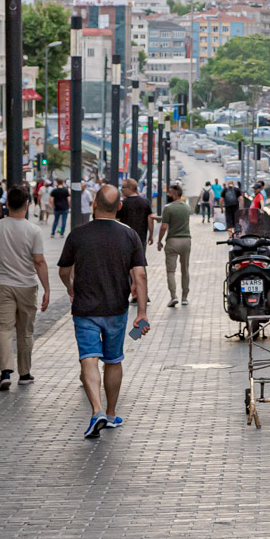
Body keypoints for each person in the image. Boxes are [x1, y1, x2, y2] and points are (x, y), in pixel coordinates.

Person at [57, 183, 150, 439]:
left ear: (94, 204)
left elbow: (64, 270)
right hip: (116, 309)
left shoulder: (78, 234)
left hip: (85, 308)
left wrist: (70, 286)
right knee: (113, 360)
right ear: (119, 207)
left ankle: (96, 409)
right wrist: (141, 312)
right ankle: (110, 414)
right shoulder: (129, 235)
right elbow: (139, 275)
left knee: (89, 357)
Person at [0, 186, 50, 390]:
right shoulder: (34, 230)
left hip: (2, 285)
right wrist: (47, 288)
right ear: (28, 204)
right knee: (25, 331)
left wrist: (1, 260)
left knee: (2, 328)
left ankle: (5, 372)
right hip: (27, 286)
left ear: (7, 204)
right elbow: (39, 261)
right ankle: (25, 373)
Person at [155, 184, 193, 308]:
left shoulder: (168, 208)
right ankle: (185, 298)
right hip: (186, 240)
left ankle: (173, 296)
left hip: (172, 241)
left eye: (169, 192)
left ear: (175, 194)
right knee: (185, 270)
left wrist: (159, 241)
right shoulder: (187, 207)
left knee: (171, 271)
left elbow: (164, 226)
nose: (168, 194)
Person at [116, 179, 155, 251]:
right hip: (141, 238)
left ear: (130, 188)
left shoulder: (122, 204)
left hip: (125, 238)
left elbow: (117, 221)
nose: (121, 189)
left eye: (123, 187)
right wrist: (151, 235)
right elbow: (150, 219)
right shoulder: (145, 202)